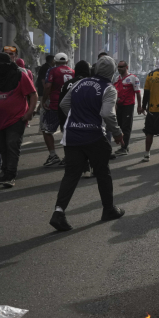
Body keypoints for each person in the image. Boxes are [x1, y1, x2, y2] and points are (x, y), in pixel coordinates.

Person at [49, 56, 126, 232]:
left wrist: (76, 118)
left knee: (71, 175)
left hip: (72, 136)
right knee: (102, 172)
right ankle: (108, 209)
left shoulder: (79, 83)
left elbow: (64, 104)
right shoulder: (109, 88)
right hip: (93, 136)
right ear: (112, 72)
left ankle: (58, 212)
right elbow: (108, 114)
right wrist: (117, 133)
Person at [0, 52, 38, 187]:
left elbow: (33, 94)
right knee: (2, 147)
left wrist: (29, 112)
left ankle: (10, 175)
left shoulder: (19, 76)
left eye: (2, 63)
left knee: (12, 144)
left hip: (17, 118)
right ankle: (5, 170)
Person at [41, 53, 74, 167]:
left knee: (47, 131)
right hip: (69, 106)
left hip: (55, 105)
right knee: (67, 131)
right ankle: (68, 157)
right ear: (67, 61)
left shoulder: (52, 70)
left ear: (55, 61)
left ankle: (53, 155)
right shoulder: (72, 71)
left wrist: (44, 100)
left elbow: (47, 86)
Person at [112, 60, 143, 156]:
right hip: (119, 105)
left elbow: (138, 93)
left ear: (127, 67)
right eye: (118, 67)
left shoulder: (133, 78)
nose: (119, 68)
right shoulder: (117, 78)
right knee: (120, 126)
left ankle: (124, 148)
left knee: (126, 127)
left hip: (128, 106)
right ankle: (123, 146)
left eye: (121, 67)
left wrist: (139, 106)